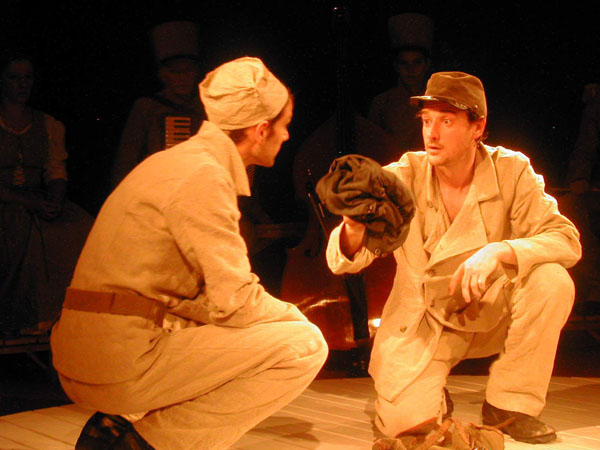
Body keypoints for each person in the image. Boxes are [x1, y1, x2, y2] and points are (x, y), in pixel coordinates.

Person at [50, 57, 328, 450]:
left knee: (230, 325)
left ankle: (118, 424)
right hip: (117, 362)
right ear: (261, 129)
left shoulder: (175, 162)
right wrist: (294, 315)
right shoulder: (203, 175)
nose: (286, 135)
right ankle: (143, 444)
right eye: (284, 125)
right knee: (304, 343)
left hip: (83, 354)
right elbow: (236, 301)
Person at [325, 72, 581, 446]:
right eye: (427, 121)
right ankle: (430, 392)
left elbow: (565, 239)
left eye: (446, 121)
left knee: (551, 279)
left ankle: (510, 405)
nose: (432, 134)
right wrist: (353, 225)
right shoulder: (402, 176)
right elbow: (345, 261)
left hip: (489, 311)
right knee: (407, 428)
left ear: (478, 127)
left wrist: (499, 251)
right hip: (422, 321)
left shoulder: (511, 170)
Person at [0, 50, 93, 333]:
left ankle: (63, 317)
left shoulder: (48, 124)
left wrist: (54, 199)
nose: (22, 84)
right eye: (14, 78)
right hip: (6, 200)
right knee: (17, 229)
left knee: (79, 227)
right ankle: (22, 317)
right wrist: (24, 201)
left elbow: (55, 169)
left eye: (27, 78)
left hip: (36, 199)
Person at [108, 20, 206, 191]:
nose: (182, 78)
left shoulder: (206, 107)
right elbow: (126, 159)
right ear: (163, 75)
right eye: (175, 72)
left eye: (187, 71)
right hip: (155, 188)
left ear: (196, 73)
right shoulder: (146, 107)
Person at [368, 13, 434, 152]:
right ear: (396, 66)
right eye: (404, 63)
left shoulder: (437, 100)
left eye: (417, 63)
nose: (411, 70)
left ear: (427, 64)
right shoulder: (381, 104)